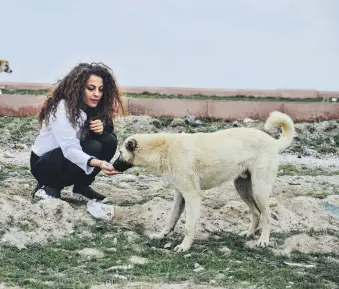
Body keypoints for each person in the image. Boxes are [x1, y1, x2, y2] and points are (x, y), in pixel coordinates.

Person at [30, 62, 124, 201]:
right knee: (93, 147)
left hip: (71, 160)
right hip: (45, 163)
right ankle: (49, 187)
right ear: (79, 88)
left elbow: (108, 138)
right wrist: (99, 163)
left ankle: (81, 188)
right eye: (91, 88)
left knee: (109, 140)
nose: (97, 94)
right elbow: (69, 148)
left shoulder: (97, 107)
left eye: (101, 89)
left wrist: (102, 130)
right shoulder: (61, 107)